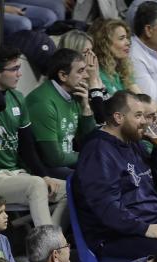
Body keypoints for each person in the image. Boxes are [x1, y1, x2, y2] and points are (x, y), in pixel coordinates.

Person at [74, 90, 157, 258]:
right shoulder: (97, 150)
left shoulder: (132, 141)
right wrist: (143, 228)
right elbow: (106, 206)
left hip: (156, 217)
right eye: (138, 116)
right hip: (115, 235)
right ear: (118, 118)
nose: (144, 122)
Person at [0, 44, 66, 228]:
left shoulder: (17, 98)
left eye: (19, 68)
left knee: (72, 189)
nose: (19, 74)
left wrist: (45, 176)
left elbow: (27, 147)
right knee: (36, 185)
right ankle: (48, 248)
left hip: (16, 174)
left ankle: (53, 237)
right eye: (14, 69)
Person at [24, 48, 96, 179]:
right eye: (80, 71)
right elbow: (53, 158)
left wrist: (86, 107)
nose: (86, 75)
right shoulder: (43, 103)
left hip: (67, 161)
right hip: (44, 169)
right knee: (94, 178)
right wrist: (90, 155)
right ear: (63, 75)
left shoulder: (75, 95)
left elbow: (88, 141)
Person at [89, 18, 142, 96]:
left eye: (127, 38)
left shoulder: (123, 68)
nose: (128, 43)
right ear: (105, 44)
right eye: (121, 38)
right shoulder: (99, 74)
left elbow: (141, 98)